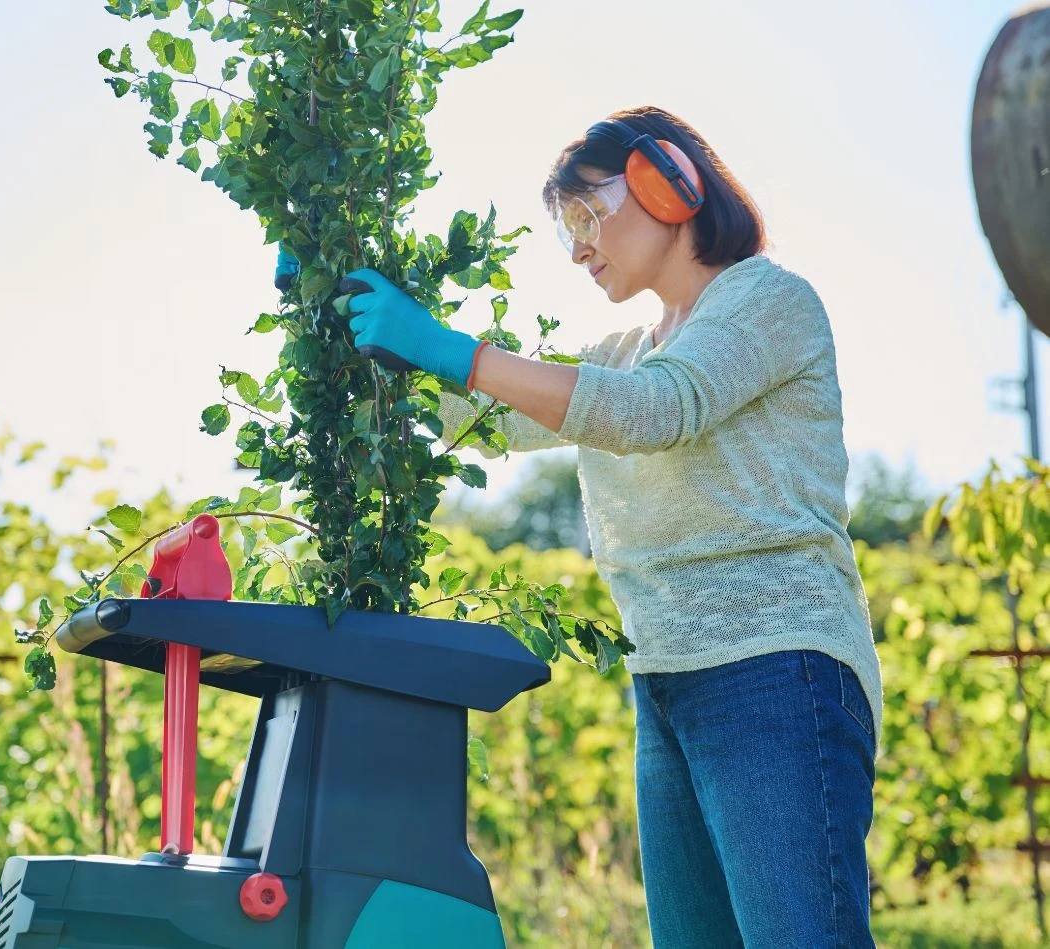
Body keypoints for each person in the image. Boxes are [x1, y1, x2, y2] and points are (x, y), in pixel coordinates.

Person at [275, 104, 882, 948]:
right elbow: (488, 415)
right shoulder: (622, 353)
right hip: (664, 682)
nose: (578, 247)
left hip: (776, 672)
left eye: (586, 213)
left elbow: (653, 412)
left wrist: (453, 348)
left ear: (665, 181)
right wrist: (352, 333)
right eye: (565, 228)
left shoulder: (767, 301)